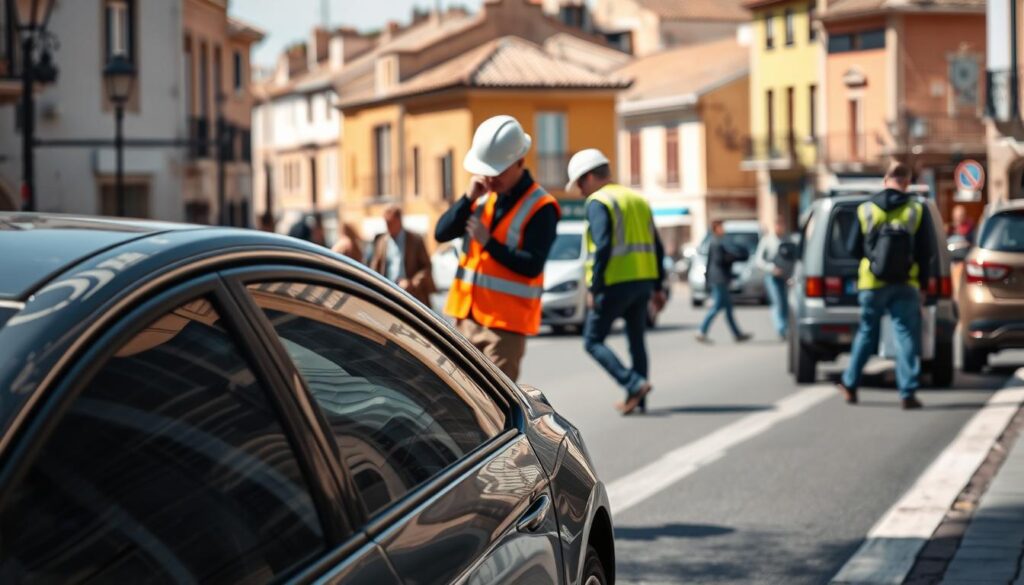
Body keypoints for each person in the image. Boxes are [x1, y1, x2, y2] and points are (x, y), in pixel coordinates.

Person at [435, 115, 560, 382]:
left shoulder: (542, 207)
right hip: (465, 320)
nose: (490, 179)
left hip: (504, 329)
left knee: (492, 412)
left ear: (519, 162)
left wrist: (488, 243)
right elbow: (441, 232)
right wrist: (468, 198)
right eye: (487, 171)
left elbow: (532, 265)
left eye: (497, 171)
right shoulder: (481, 198)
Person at [566, 149, 666, 415]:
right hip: (643, 281)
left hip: (614, 283)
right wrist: (658, 286)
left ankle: (633, 384)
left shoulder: (599, 201)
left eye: (579, 183)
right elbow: (657, 246)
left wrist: (594, 287)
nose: (579, 191)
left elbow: (602, 247)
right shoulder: (637, 199)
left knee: (592, 340)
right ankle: (639, 398)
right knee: (636, 341)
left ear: (588, 177)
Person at [837, 161, 934, 410]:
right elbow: (927, 252)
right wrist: (923, 284)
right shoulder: (917, 209)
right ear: (907, 182)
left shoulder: (866, 209)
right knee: (905, 335)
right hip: (906, 282)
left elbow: (850, 248)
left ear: (885, 180)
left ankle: (850, 384)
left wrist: (870, 259)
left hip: (872, 282)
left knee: (867, 334)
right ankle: (907, 391)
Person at [697, 221, 752, 343]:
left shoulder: (716, 242)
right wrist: (735, 257)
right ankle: (701, 330)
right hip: (719, 279)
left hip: (719, 278)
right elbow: (720, 260)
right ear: (716, 229)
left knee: (728, 309)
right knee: (717, 307)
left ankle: (737, 334)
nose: (723, 230)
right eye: (721, 227)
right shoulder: (716, 243)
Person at [369, 205, 436, 305]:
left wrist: (412, 283)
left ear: (399, 221)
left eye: (390, 223)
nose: (387, 226)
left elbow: (426, 267)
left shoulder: (415, 240)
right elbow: (375, 268)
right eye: (386, 223)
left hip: (413, 297)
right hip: (389, 296)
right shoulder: (382, 241)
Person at [756, 217, 796, 341]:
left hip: (785, 276)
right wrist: (771, 268)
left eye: (782, 225)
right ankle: (781, 329)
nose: (780, 228)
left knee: (784, 303)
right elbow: (759, 260)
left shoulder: (788, 239)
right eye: (778, 225)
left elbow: (793, 257)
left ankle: (784, 327)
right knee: (777, 302)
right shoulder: (767, 240)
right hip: (772, 276)